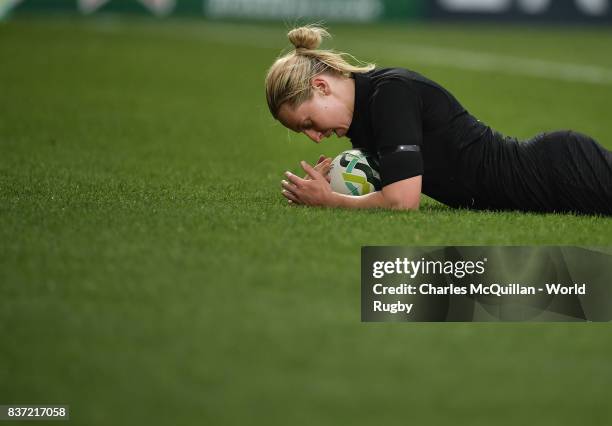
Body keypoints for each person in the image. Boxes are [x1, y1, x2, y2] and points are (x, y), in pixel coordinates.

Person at [265, 25, 612, 215]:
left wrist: (330, 200)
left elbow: (403, 202)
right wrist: (337, 174)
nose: (314, 137)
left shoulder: (391, 94)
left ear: (321, 86)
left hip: (557, 173)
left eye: (307, 122)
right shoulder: (367, 116)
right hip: (544, 185)